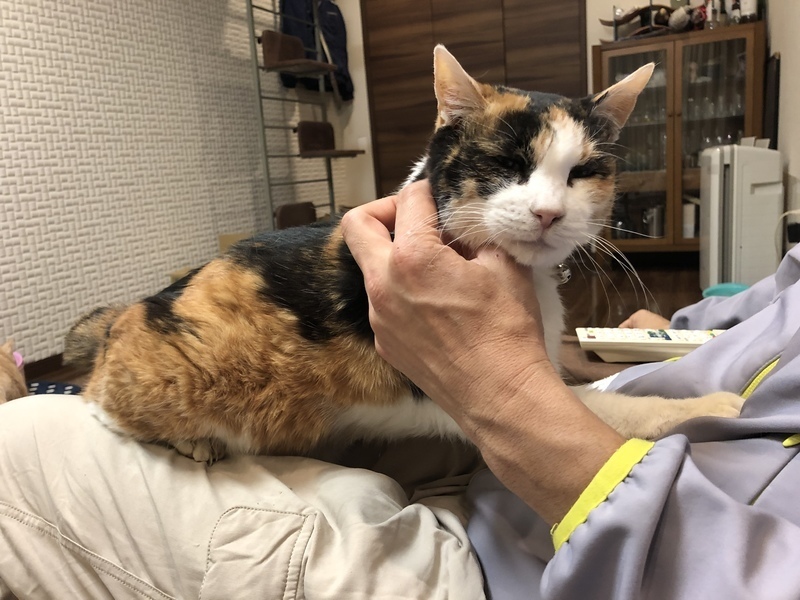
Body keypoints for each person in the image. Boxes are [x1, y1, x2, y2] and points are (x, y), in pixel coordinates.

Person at [2, 180, 800, 599]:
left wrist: (499, 382)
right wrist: (679, 326)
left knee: (24, 442)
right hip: (511, 471)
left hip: (543, 561)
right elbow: (757, 311)